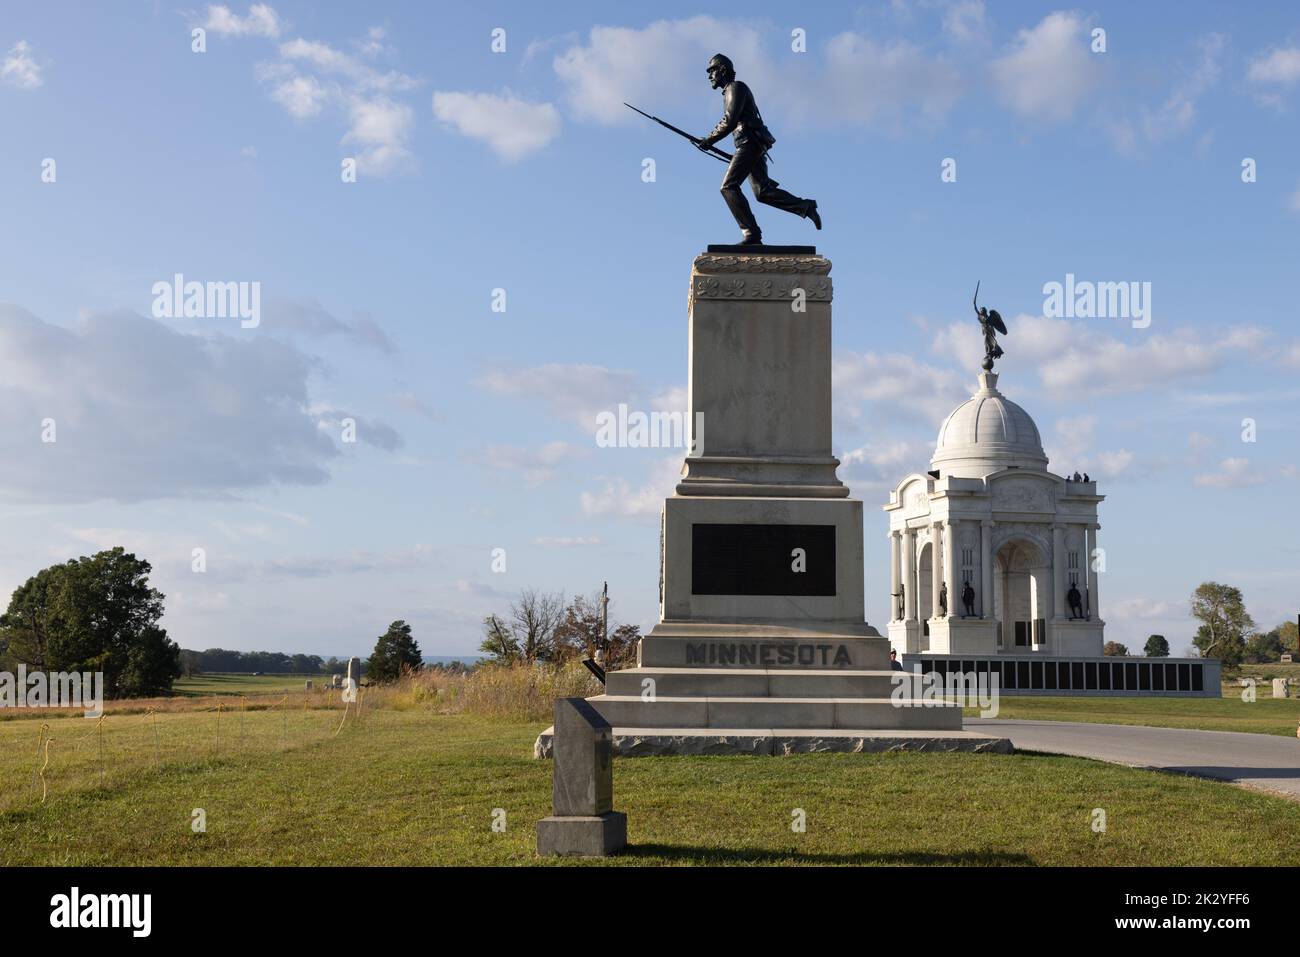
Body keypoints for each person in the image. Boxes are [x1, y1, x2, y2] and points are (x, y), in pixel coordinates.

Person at [698, 54, 820, 245]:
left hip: (750, 143)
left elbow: (730, 120)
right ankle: (805, 206)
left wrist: (709, 139)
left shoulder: (735, 88)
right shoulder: (732, 90)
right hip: (751, 144)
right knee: (762, 191)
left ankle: (751, 233)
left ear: (722, 70)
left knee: (728, 187)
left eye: (712, 70)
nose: (709, 76)